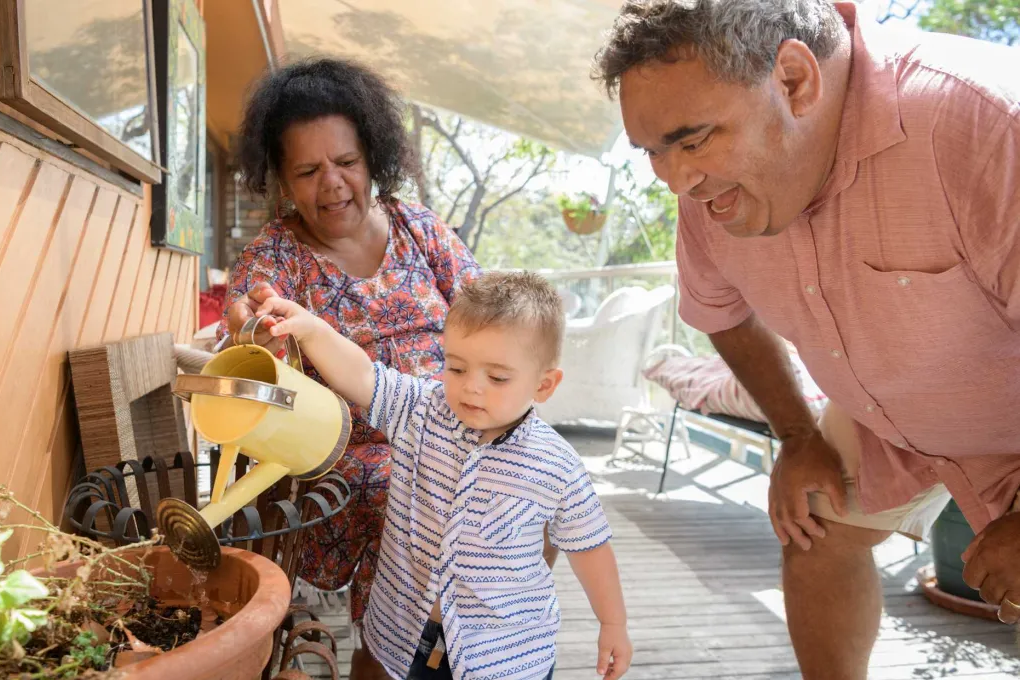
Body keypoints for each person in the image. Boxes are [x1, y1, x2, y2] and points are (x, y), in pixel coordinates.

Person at [593, 1, 1020, 678]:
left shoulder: (983, 120)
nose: (674, 181)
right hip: (882, 409)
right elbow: (721, 311)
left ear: (794, 80)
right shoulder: (708, 194)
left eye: (693, 139)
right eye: (653, 152)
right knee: (814, 527)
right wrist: (797, 435)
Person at [217, 57, 554, 678]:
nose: (333, 184)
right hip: (357, 455)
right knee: (419, 491)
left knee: (537, 479)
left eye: (346, 163)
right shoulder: (276, 258)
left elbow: (492, 318)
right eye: (309, 171)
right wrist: (249, 321)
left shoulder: (418, 228)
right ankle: (397, 653)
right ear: (283, 182)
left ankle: (487, 642)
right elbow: (252, 325)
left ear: (373, 156)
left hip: (465, 423)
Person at [253, 271, 633, 680]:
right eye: (456, 368)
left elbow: (590, 547)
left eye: (498, 377)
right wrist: (311, 329)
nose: (472, 387)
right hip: (405, 634)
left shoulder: (557, 465)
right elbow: (362, 375)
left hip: (506, 654)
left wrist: (613, 623)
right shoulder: (419, 411)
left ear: (544, 385)